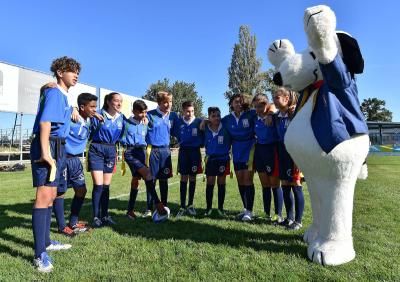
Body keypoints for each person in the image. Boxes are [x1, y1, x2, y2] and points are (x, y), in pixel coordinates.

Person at [30, 56, 80, 272]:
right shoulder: (53, 92)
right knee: (43, 196)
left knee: (51, 196)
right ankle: (39, 254)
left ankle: (47, 242)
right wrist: (45, 153)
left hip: (58, 145)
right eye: (71, 70)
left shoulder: (64, 96)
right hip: (49, 145)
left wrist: (73, 110)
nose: (76, 74)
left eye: (77, 71)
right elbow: (45, 122)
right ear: (60, 73)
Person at [53, 93, 98, 236]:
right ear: (82, 107)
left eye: (95, 107)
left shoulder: (90, 121)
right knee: (60, 192)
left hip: (76, 160)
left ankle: (73, 222)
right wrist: (72, 108)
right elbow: (60, 112)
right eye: (92, 107)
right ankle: (61, 226)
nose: (94, 110)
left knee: (81, 190)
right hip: (63, 157)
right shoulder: (71, 117)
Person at [120, 100, 168, 219]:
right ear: (134, 111)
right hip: (130, 152)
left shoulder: (145, 123)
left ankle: (130, 211)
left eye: (145, 112)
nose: (144, 115)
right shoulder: (126, 122)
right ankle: (157, 203)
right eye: (141, 113)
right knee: (147, 173)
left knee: (136, 180)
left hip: (141, 152)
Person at [88, 92, 125, 227]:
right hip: (97, 149)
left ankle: (105, 215)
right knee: (98, 185)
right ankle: (96, 217)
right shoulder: (97, 114)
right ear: (108, 102)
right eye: (116, 100)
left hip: (111, 150)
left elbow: (125, 133)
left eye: (121, 101)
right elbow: (82, 113)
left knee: (106, 186)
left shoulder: (122, 118)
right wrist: (74, 110)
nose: (119, 103)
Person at [273, 87, 305, 230]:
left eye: (277, 97)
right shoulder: (276, 115)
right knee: (285, 186)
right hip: (282, 151)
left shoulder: (297, 112)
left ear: (286, 99)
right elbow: (269, 108)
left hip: (295, 153)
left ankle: (298, 221)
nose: (274, 100)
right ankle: (289, 218)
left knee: (296, 185)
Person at [221, 94, 256, 221]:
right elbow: (214, 121)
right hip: (236, 151)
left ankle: (250, 211)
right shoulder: (227, 119)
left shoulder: (251, 114)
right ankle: (245, 209)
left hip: (249, 149)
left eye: (240, 102)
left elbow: (267, 109)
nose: (238, 104)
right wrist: (205, 121)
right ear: (231, 104)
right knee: (240, 180)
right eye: (236, 102)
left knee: (248, 180)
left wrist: (269, 113)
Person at [144, 91, 178, 217]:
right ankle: (148, 208)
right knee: (151, 180)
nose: (168, 104)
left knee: (164, 180)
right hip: (152, 150)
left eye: (170, 102)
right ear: (158, 103)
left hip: (165, 151)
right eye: (165, 102)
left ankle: (164, 206)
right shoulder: (149, 115)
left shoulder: (173, 116)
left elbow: (179, 131)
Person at [252, 94, 283, 222]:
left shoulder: (274, 117)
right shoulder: (254, 118)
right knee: (265, 184)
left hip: (272, 151)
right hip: (259, 151)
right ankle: (266, 213)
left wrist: (270, 113)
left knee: (274, 184)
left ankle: (278, 214)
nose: (258, 109)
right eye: (256, 107)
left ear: (266, 105)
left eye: (260, 106)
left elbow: (274, 106)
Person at [172, 101, 204, 217]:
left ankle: (190, 205)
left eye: (192, 111)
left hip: (195, 152)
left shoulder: (199, 122)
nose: (190, 113)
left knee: (193, 177)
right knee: (184, 177)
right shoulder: (179, 122)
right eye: (188, 111)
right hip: (183, 152)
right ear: (183, 111)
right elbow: (174, 132)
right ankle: (182, 206)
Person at [202, 107, 231, 216]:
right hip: (211, 159)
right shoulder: (205, 128)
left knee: (221, 183)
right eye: (213, 116)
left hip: (223, 159)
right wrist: (203, 121)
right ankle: (208, 208)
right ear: (209, 117)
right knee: (210, 183)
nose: (216, 118)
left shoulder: (225, 127)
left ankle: (220, 208)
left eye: (218, 115)